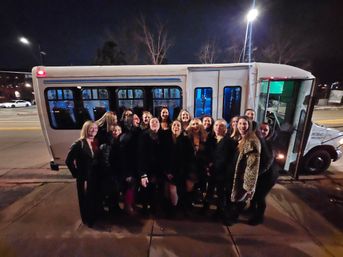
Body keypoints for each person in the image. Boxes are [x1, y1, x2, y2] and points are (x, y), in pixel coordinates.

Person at [65, 121, 100, 227]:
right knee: (85, 199)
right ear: (86, 129)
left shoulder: (95, 141)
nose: (94, 130)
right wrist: (77, 174)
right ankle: (88, 220)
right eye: (91, 128)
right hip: (84, 177)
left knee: (94, 197)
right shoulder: (79, 144)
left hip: (94, 176)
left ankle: (95, 216)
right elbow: (68, 161)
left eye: (95, 128)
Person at [227, 116, 261, 224]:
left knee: (240, 200)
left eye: (244, 124)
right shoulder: (241, 138)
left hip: (243, 178)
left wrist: (248, 186)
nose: (242, 126)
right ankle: (232, 216)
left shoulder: (252, 141)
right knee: (236, 198)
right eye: (240, 123)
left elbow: (253, 166)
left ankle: (233, 218)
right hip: (236, 175)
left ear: (249, 125)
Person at [204, 119, 237, 218]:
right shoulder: (210, 139)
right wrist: (207, 165)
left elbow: (231, 159)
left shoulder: (230, 141)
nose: (218, 127)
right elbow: (207, 154)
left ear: (225, 128)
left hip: (222, 173)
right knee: (209, 191)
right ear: (213, 127)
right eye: (216, 125)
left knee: (220, 193)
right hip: (211, 171)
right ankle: (205, 208)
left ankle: (220, 212)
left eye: (221, 125)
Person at [248, 122, 279, 225]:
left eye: (265, 130)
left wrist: (255, 174)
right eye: (260, 129)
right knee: (254, 193)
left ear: (270, 132)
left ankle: (259, 217)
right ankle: (251, 209)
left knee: (260, 196)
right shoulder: (257, 140)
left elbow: (267, 163)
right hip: (260, 174)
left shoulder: (270, 144)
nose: (262, 131)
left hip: (268, 175)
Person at [165, 120, 193, 216]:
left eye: (178, 125)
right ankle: (173, 209)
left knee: (182, 190)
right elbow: (164, 156)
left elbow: (190, 156)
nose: (176, 127)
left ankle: (182, 208)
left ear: (181, 128)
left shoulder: (186, 139)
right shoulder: (167, 139)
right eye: (174, 125)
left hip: (182, 170)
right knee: (172, 190)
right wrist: (167, 171)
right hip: (170, 170)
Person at [138, 117, 164, 214]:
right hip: (146, 167)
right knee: (146, 189)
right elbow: (140, 154)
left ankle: (154, 207)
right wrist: (142, 173)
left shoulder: (162, 135)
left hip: (158, 168)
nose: (154, 123)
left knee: (157, 189)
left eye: (156, 122)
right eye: (152, 122)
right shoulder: (144, 135)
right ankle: (145, 208)